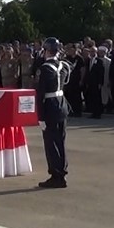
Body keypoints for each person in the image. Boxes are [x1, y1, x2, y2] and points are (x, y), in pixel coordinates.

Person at [36, 37, 71, 188]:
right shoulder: (64, 65)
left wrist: (40, 117)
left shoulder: (44, 68)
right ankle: (62, 172)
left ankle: (56, 176)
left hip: (50, 107)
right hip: (62, 105)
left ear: (47, 50)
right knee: (60, 141)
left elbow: (40, 94)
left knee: (51, 143)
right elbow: (66, 81)